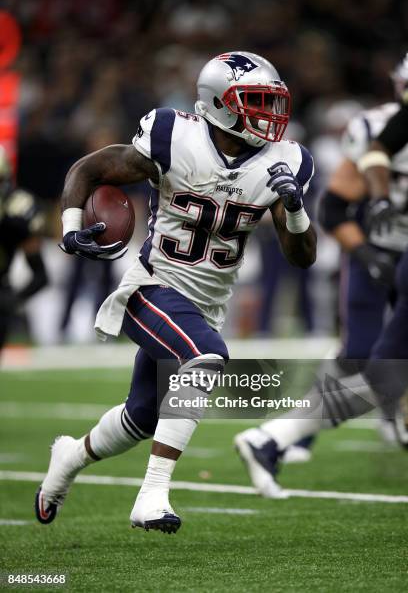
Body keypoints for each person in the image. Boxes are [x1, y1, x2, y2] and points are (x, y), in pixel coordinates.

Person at [35, 52, 316, 533]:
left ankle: (68, 458)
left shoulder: (286, 161)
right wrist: (72, 225)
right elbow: (92, 167)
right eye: (256, 101)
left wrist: (294, 208)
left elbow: (302, 256)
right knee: (206, 357)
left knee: (140, 418)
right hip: (151, 287)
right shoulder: (173, 135)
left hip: (206, 305)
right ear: (218, 104)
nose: (270, 114)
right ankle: (152, 495)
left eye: (272, 101)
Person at [234, 53, 408, 496]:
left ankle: (279, 436)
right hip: (376, 251)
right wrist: (366, 250)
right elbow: (333, 205)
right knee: (364, 357)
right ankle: (286, 437)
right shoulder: (375, 128)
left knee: (386, 367)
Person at [0, 146, 48, 356]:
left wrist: (11, 300)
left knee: (163, 348)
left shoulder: (17, 214)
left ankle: (164, 387)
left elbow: (40, 275)